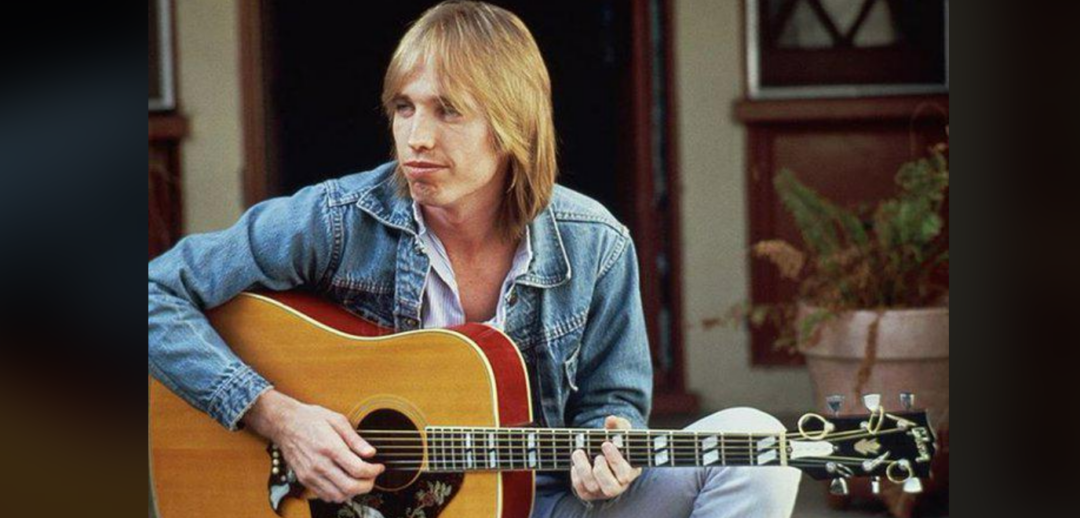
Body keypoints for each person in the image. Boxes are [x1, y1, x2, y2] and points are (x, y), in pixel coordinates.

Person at [147, 2, 800, 516]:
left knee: (758, 443)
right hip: (364, 511)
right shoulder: (336, 220)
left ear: (513, 124)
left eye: (447, 111)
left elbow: (614, 407)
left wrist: (609, 457)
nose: (416, 136)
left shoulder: (595, 244)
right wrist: (276, 416)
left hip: (539, 505)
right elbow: (152, 295)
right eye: (404, 107)